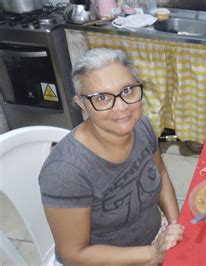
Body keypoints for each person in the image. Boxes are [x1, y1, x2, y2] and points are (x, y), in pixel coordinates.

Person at [38, 48, 184, 265]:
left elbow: (160, 173)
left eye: (127, 90)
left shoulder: (141, 126)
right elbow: (74, 253)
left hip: (153, 242)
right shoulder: (65, 171)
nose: (122, 107)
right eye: (102, 98)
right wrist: (152, 255)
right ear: (82, 104)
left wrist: (175, 226)